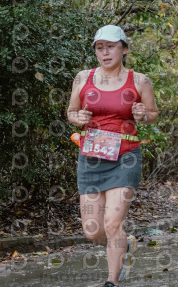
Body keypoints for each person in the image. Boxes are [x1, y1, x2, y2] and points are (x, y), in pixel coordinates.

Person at [67, 25, 158, 287]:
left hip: (125, 158)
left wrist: (142, 115)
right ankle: (125, 245)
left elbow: (152, 113)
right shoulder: (82, 78)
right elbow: (71, 112)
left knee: (112, 223)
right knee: (92, 230)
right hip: (91, 159)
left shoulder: (139, 81)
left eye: (110, 47)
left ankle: (112, 281)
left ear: (124, 49)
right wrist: (78, 118)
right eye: (100, 48)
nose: (105, 52)